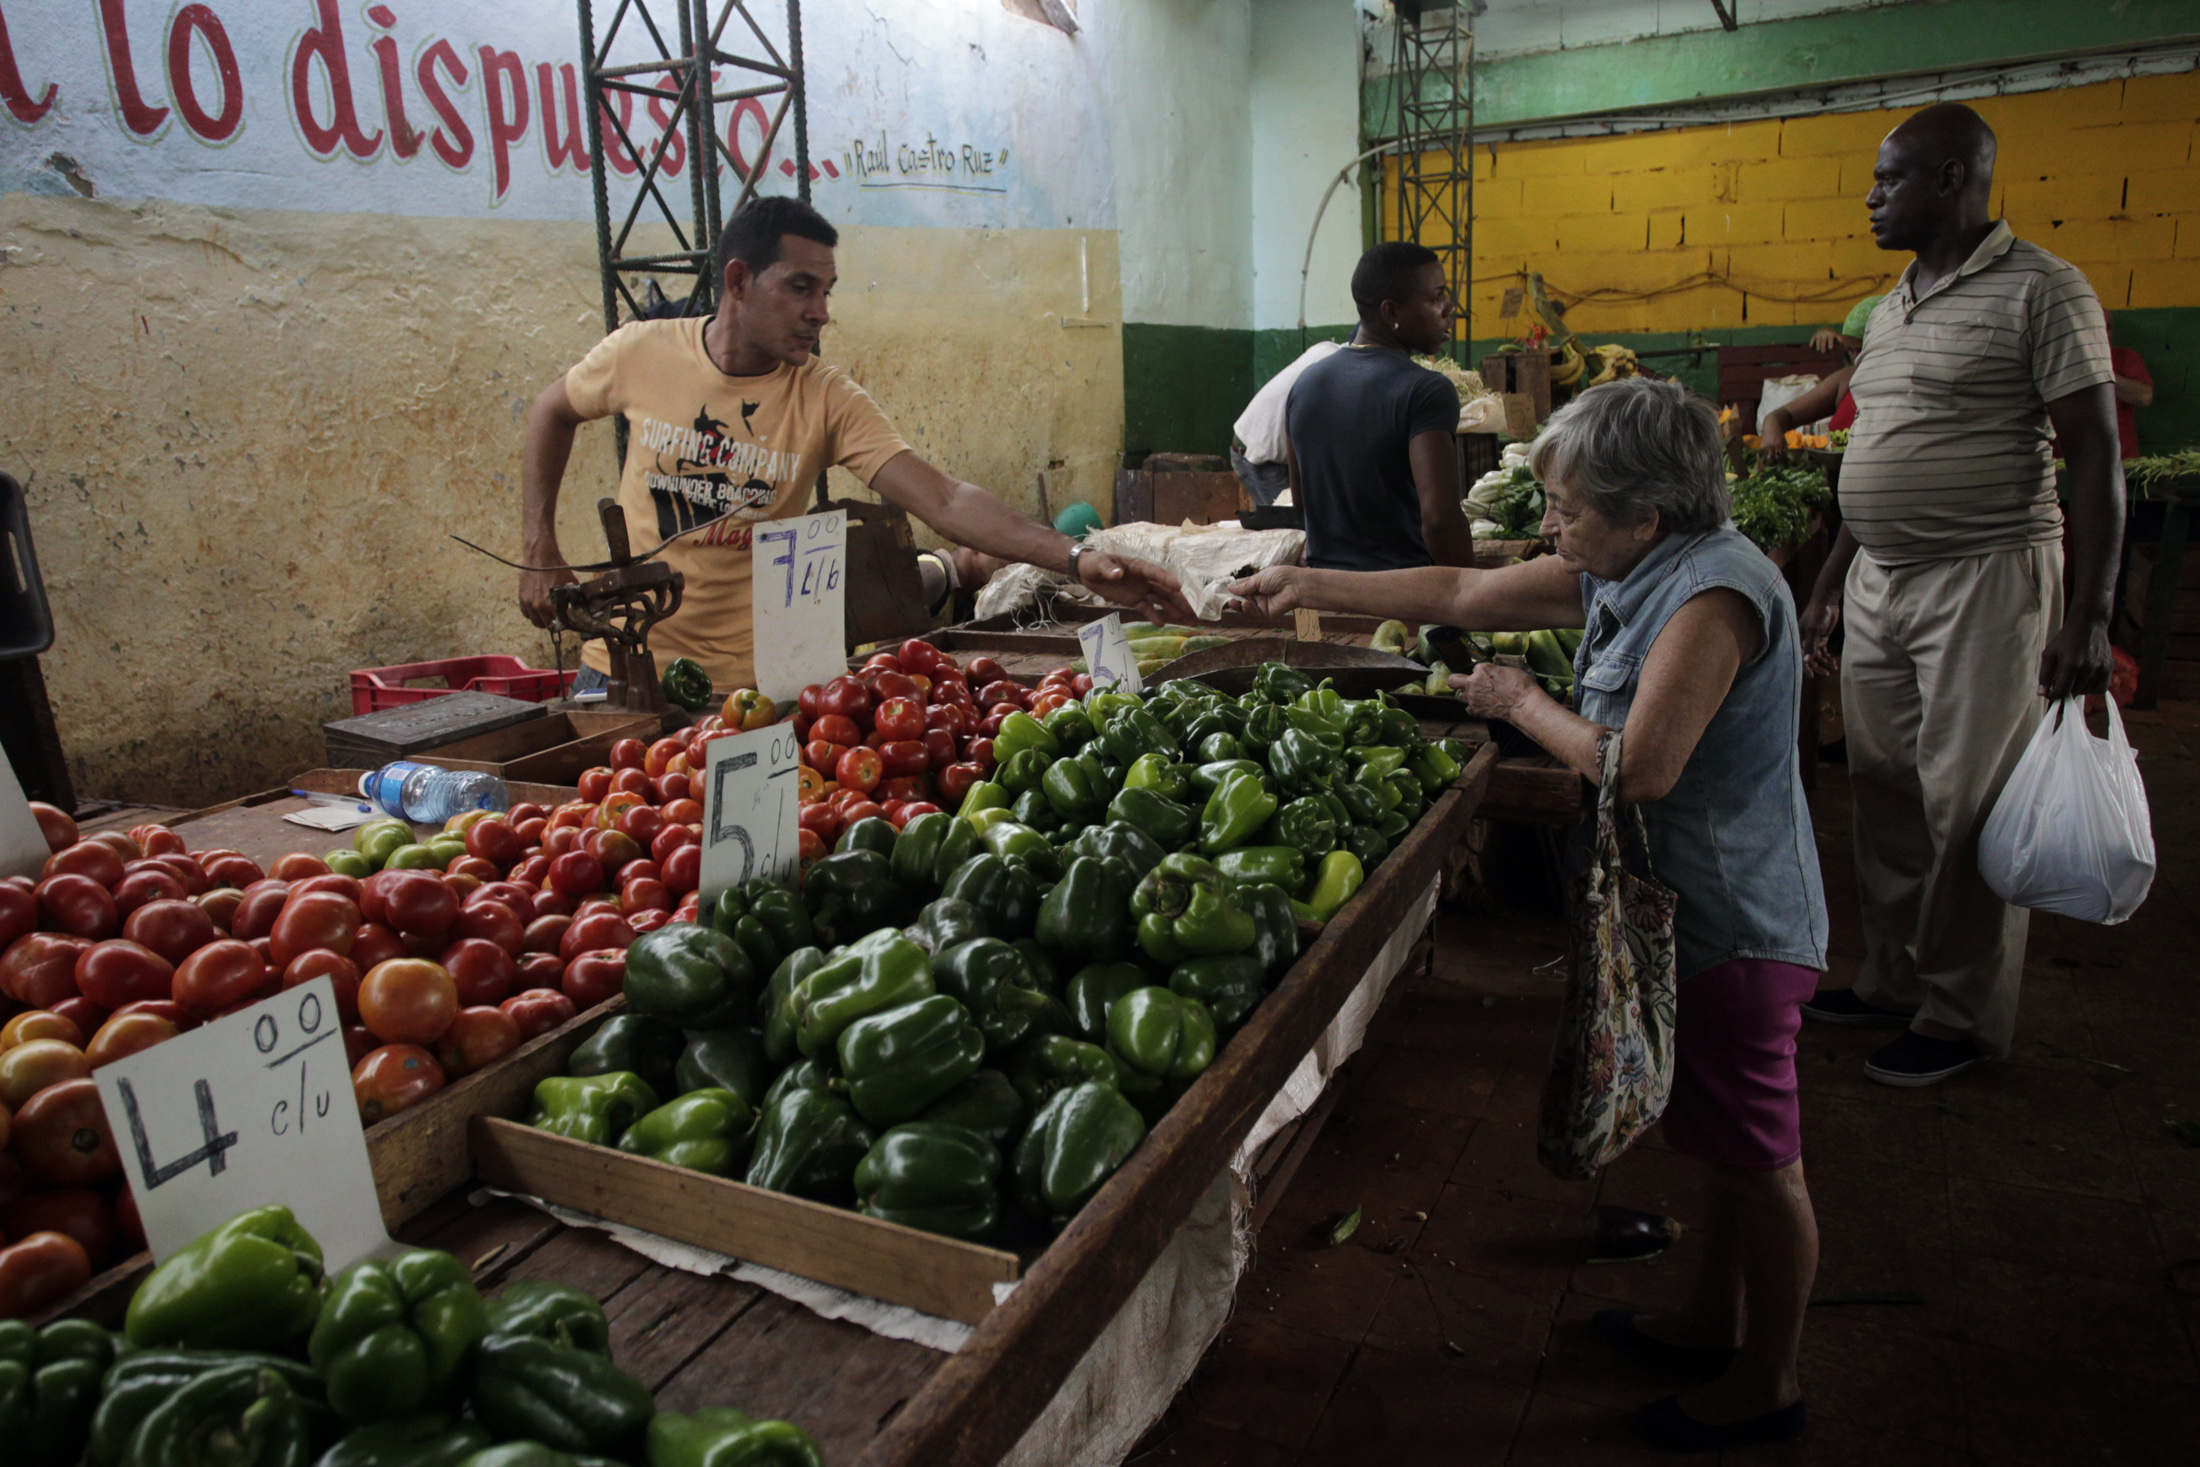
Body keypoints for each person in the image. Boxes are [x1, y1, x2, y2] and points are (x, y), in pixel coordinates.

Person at [1232, 378, 1827, 1453]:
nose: (1549, 527)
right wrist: (1299, 579)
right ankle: (1708, 1320)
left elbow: (1636, 769)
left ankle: (1767, 1382)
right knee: (1719, 1138)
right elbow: (1461, 589)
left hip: (1735, 924)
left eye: (1566, 508)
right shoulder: (1630, 563)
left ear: (1645, 512)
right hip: (1667, 910)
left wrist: (1519, 705)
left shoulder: (1712, 597)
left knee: (1760, 1159)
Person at [517, 196, 1190, 691]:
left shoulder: (826, 397)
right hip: (618, 674)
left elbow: (947, 499)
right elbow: (551, 410)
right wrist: (538, 549)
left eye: (827, 291)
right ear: (739, 281)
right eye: (801, 287)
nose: (820, 310)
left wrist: (1076, 558)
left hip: (752, 691)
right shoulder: (640, 352)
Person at [1794, 103, 2123, 1086]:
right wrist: (1829, 580)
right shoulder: (1889, 306)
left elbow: (2097, 458)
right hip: (1883, 581)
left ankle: (1959, 1014)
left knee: (1966, 803)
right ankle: (1893, 977)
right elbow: (1878, 454)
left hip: (1987, 578)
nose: (1869, 195)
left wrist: (2089, 615)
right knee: (1886, 787)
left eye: (1888, 178)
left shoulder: (2043, 291)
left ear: (1951, 179)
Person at [1283, 242, 1475, 570]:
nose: (1449, 308)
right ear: (1392, 313)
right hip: (1401, 598)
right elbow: (1439, 520)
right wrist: (1472, 598)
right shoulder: (1426, 390)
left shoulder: (1304, 385)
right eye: (1436, 297)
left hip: (1323, 590)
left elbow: (1302, 506)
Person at [1230, 339, 1342, 507]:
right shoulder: (1336, 370)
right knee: (1286, 526)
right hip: (1259, 457)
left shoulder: (1327, 349)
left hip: (1260, 446)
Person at [2106, 311, 2154, 459]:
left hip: (2122, 462)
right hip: (2066, 464)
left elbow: (2144, 397)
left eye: (2107, 327)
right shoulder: (2057, 358)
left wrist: (2100, 370)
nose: (2101, 332)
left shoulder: (2125, 357)